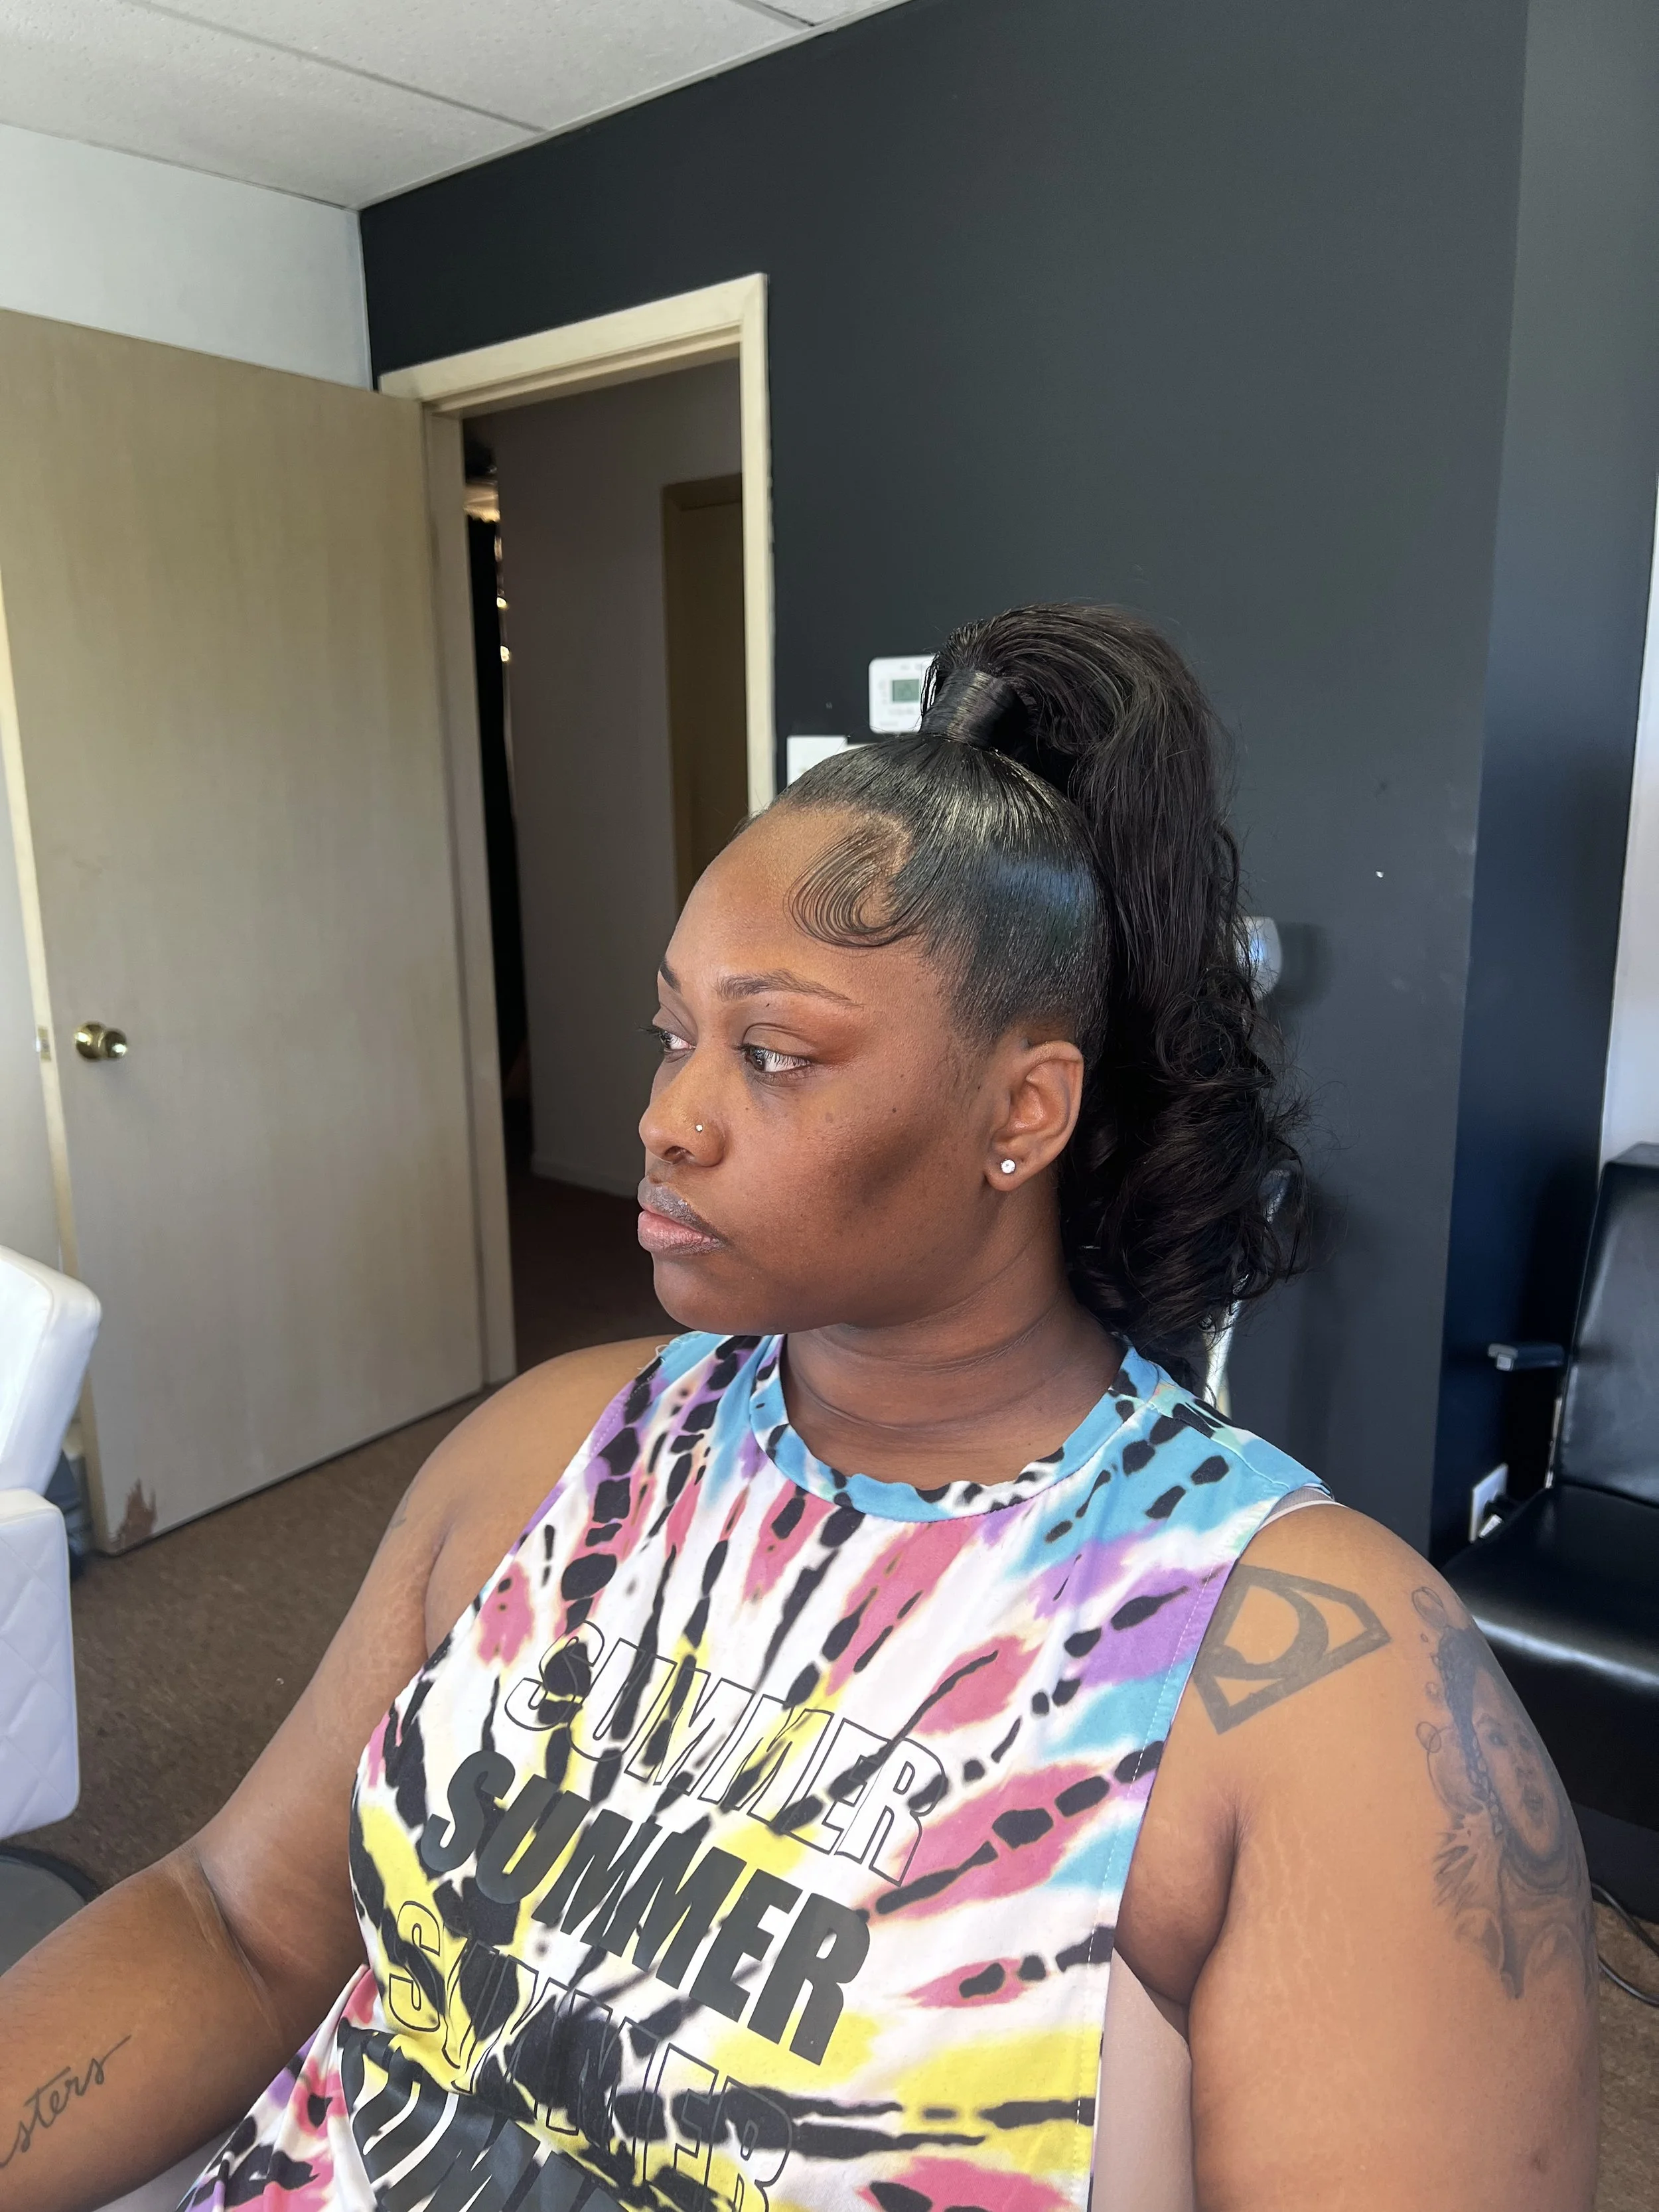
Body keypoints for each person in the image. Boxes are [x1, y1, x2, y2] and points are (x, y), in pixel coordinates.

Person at [0, 606, 1597, 2212]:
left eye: (770, 1053)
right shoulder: (553, 1450)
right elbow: (236, 1921)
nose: (665, 1119)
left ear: (1020, 1111)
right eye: (674, 1033)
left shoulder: (1306, 1673)